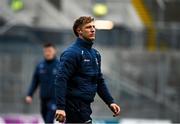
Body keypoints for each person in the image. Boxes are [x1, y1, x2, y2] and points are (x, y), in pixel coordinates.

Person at [55, 16, 120, 123]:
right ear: (79, 31)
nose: (93, 30)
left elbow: (99, 81)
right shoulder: (71, 53)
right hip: (73, 106)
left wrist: (110, 102)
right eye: (88, 27)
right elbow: (61, 79)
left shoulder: (95, 54)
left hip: (85, 106)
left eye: (94, 27)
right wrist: (60, 107)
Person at [25, 43, 59, 123]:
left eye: (50, 51)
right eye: (46, 51)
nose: (48, 53)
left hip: (55, 99)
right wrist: (30, 95)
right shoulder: (40, 65)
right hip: (43, 98)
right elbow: (35, 81)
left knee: (49, 120)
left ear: (55, 51)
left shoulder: (60, 65)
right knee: (45, 118)